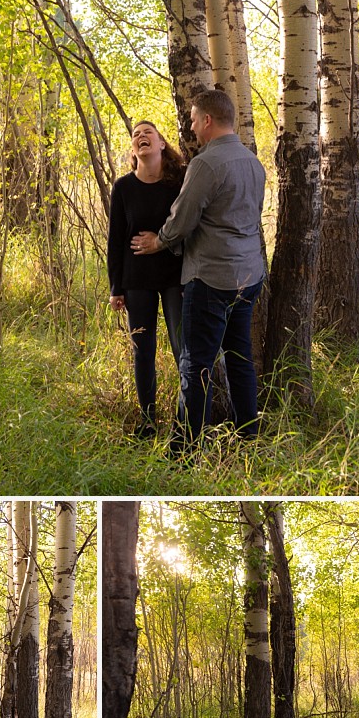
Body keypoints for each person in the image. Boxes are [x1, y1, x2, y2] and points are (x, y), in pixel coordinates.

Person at [131, 89, 266, 452]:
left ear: (208, 120)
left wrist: (158, 242)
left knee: (196, 366)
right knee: (240, 360)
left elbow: (183, 218)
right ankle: (248, 441)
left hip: (211, 279)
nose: (190, 126)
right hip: (249, 277)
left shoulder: (205, 165)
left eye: (192, 119)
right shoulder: (253, 162)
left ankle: (185, 453)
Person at [108, 120, 186, 438]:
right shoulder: (124, 188)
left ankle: (186, 423)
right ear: (133, 149)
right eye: (136, 135)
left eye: (148, 133)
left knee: (184, 349)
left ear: (161, 144)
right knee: (143, 351)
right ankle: (148, 421)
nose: (141, 137)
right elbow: (115, 240)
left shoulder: (178, 182)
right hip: (136, 279)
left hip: (174, 276)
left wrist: (162, 240)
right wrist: (116, 288)